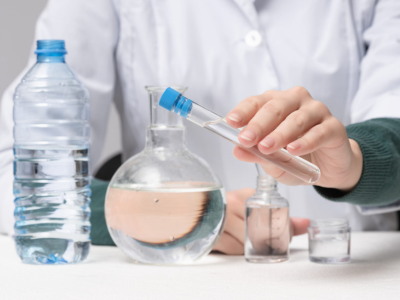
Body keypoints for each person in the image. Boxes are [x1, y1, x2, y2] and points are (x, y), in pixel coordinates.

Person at [1, 0, 400, 255]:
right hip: (180, 276)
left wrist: (356, 162)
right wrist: (143, 213)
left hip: (351, 270)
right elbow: (11, 169)